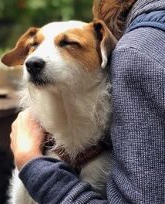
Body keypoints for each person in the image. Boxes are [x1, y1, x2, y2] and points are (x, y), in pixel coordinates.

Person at [10, 0, 165, 203]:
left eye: (68, 43)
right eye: (34, 45)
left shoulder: (136, 51)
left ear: (104, 53)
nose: (34, 59)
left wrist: (31, 162)